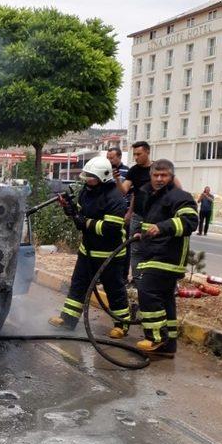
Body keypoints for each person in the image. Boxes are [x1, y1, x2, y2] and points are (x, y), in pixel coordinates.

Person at [48, 156, 130, 338]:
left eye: (90, 176)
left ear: (103, 177)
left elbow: (111, 228)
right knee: (78, 285)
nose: (86, 179)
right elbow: (79, 217)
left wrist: (86, 222)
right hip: (87, 251)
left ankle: (121, 324)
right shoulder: (86, 192)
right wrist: (70, 210)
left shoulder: (115, 197)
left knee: (114, 289)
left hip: (110, 254)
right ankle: (67, 320)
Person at [132, 159, 198, 357]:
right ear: (151, 176)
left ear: (172, 177)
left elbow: (190, 221)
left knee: (147, 292)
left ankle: (156, 337)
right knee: (165, 299)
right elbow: (146, 223)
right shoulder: (152, 197)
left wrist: (163, 227)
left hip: (168, 256)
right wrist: (138, 233)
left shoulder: (180, 197)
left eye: (164, 175)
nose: (159, 179)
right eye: (156, 175)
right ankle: (169, 344)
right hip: (153, 253)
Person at [114, 141, 153, 283]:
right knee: (135, 249)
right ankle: (137, 280)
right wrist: (117, 179)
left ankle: (150, 280)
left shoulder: (157, 170)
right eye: (134, 154)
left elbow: (174, 188)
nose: (136, 157)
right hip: (138, 215)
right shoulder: (134, 171)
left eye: (139, 154)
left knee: (151, 248)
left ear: (148, 152)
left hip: (154, 217)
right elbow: (126, 191)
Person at [107, 147, 131, 279]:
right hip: (107, 211)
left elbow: (132, 193)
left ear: (120, 157)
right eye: (108, 157)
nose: (109, 160)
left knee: (124, 244)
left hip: (123, 211)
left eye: (112, 157)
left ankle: (123, 276)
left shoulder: (127, 172)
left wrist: (130, 213)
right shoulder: (104, 170)